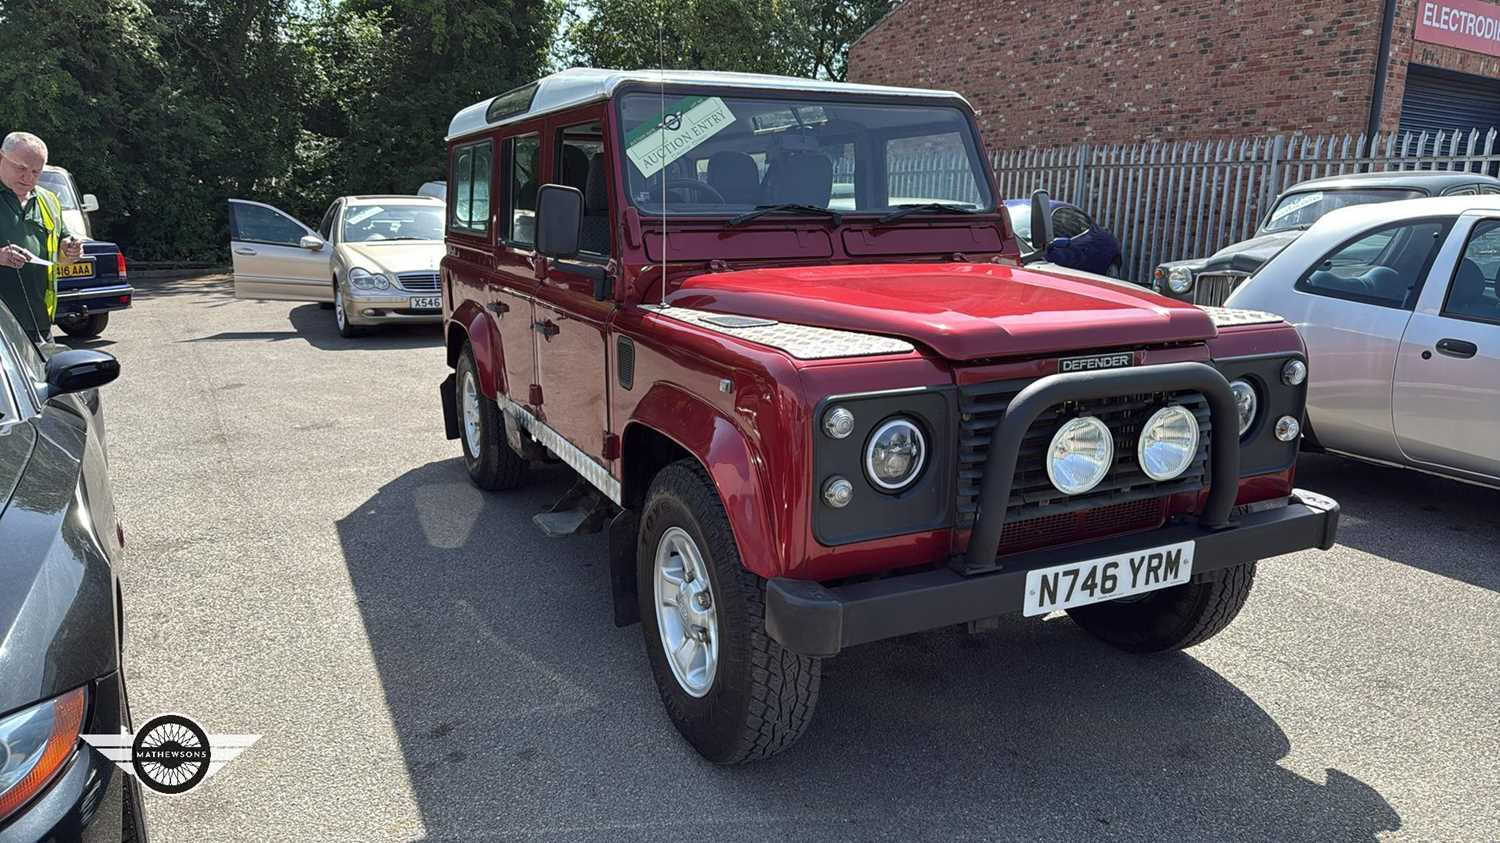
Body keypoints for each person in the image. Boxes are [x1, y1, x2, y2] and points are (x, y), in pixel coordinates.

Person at [0, 132, 84, 341]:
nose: (28, 178)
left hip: (38, 324)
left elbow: (60, 249)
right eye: (21, 168)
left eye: (36, 172)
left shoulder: (49, 200)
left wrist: (69, 249)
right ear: (2, 157)